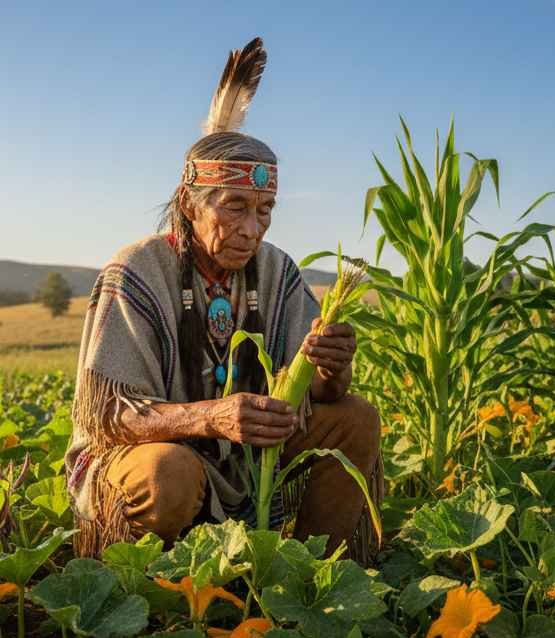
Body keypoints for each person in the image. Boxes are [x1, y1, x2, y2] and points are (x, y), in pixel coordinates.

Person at [66, 38, 380, 560]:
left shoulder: (275, 271)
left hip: (243, 460)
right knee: (169, 471)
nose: (251, 228)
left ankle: (312, 577)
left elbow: (319, 396)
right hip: (144, 459)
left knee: (355, 418)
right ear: (191, 203)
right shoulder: (138, 271)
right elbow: (109, 418)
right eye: (235, 206)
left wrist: (332, 370)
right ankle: (140, 587)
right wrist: (210, 418)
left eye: (265, 209)